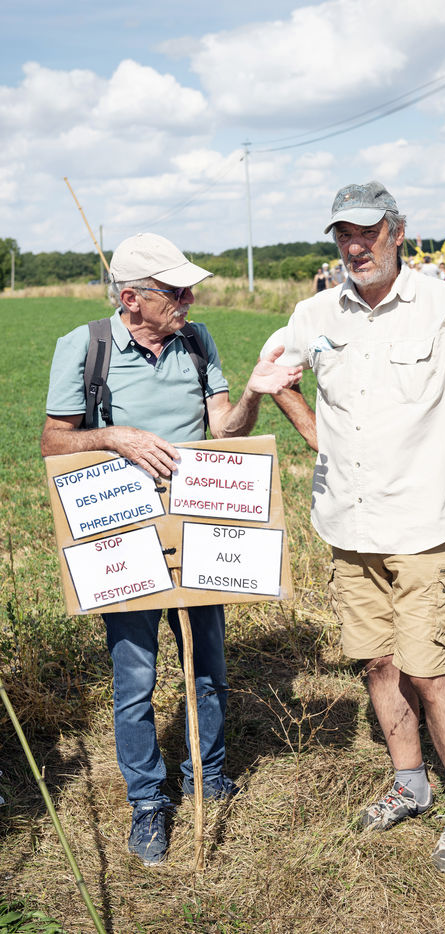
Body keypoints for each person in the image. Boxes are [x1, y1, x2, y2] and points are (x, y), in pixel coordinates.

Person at [262, 181, 445, 872]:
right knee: (377, 663)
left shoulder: (440, 301)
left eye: (367, 232)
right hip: (347, 525)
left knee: (428, 670)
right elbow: (274, 376)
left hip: (422, 527)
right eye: (344, 234)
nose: (355, 246)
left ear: (396, 231)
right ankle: (409, 782)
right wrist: (314, 433)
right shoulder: (312, 312)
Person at [41, 232, 301, 866]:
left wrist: (253, 393)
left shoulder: (198, 340)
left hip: (199, 531)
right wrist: (117, 437)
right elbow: (53, 442)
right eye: (175, 291)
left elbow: (224, 430)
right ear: (132, 298)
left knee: (207, 668)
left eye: (189, 289)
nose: (189, 299)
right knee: (135, 679)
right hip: (123, 537)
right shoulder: (85, 347)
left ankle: (207, 775)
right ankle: (148, 801)